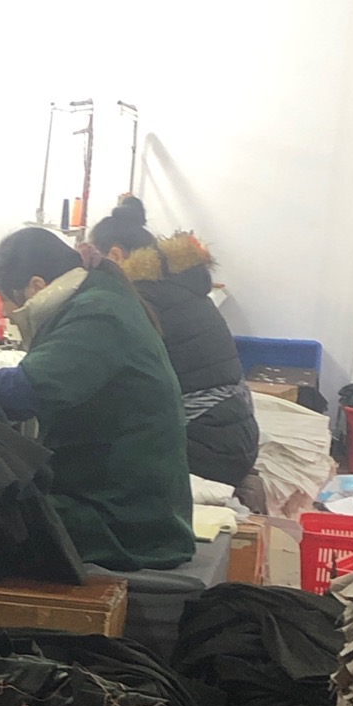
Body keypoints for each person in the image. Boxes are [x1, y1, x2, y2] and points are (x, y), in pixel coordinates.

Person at [0, 226, 194, 572]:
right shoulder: (101, 294)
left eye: (9, 303)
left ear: (36, 286)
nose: (8, 315)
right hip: (122, 498)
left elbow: (28, 388)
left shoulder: (97, 312)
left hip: (124, 519)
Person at [90, 199, 259, 490]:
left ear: (115, 255)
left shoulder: (141, 298)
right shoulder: (179, 287)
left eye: (93, 262)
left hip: (208, 450)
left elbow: (106, 376)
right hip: (235, 439)